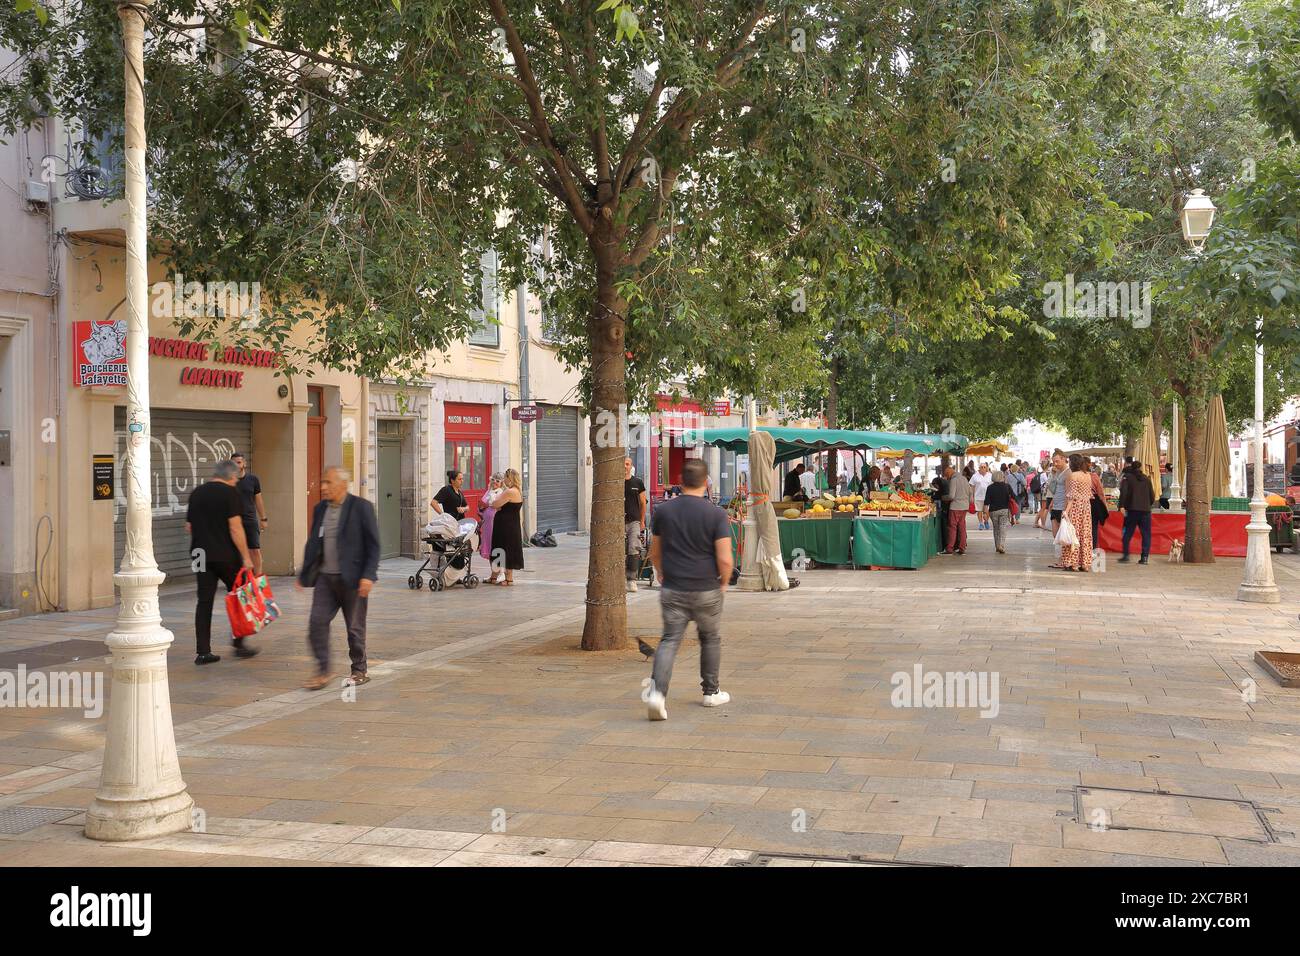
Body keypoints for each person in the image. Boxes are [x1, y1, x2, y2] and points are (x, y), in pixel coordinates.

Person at [644, 458, 733, 721]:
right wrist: (724, 583)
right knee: (710, 638)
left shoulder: (663, 512)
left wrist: (660, 572)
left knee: (669, 640)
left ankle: (657, 695)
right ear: (706, 483)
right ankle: (710, 692)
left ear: (680, 482)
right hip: (707, 588)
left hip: (673, 587)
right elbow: (725, 558)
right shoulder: (716, 514)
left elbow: (655, 551)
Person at [297, 467, 380, 689]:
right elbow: (314, 542)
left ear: (343, 485)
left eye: (328, 483)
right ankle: (324, 669)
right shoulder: (320, 508)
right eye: (322, 482)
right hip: (326, 578)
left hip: (353, 579)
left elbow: (374, 546)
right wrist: (304, 573)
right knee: (317, 622)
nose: (323, 487)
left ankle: (359, 669)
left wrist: (368, 576)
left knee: (354, 627)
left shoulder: (361, 508)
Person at [186, 460, 256, 665]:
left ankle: (203, 651)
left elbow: (189, 526)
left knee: (204, 601)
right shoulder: (230, 494)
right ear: (232, 477)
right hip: (226, 556)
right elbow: (235, 528)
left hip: (200, 555)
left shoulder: (197, 493)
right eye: (236, 479)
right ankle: (239, 644)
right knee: (239, 597)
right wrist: (246, 557)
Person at [230, 452, 268, 578]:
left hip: (250, 520)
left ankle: (258, 578)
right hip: (234, 522)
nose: (236, 465)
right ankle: (239, 579)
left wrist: (263, 518)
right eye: (233, 463)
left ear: (244, 463)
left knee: (255, 550)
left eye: (239, 462)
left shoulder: (253, 480)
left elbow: (258, 499)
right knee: (236, 552)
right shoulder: (228, 481)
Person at [1058, 454, 1095, 572]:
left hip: (1075, 508)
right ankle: (1084, 563)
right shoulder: (1088, 475)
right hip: (1086, 507)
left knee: (1073, 534)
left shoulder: (1073, 476)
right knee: (1085, 534)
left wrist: (1065, 511)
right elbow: (1089, 494)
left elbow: (1071, 496)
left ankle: (1072, 563)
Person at [489, 468, 524, 586]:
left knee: (502, 549)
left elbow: (494, 504)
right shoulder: (518, 490)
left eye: (505, 477)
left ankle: (508, 578)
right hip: (512, 525)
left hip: (505, 526)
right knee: (507, 549)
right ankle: (498, 577)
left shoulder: (509, 492)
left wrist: (497, 505)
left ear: (510, 478)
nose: (503, 480)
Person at [1117, 460, 1156, 564]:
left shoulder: (1127, 478)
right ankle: (1144, 557)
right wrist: (1147, 504)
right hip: (1145, 511)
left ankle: (1126, 555)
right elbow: (1152, 496)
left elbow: (1123, 492)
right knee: (1146, 534)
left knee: (1127, 532)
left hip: (1132, 510)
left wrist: (1121, 505)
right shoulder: (1147, 479)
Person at [624, 457, 648, 593]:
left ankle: (631, 581)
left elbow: (643, 503)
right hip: (619, 521)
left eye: (627, 464)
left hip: (634, 521)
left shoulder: (637, 482)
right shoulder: (615, 483)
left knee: (633, 549)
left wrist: (642, 521)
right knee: (620, 550)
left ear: (631, 466)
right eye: (623, 464)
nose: (625, 467)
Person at [943, 464, 971, 555]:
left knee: (952, 527)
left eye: (947, 475)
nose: (947, 478)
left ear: (949, 473)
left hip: (955, 506)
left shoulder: (954, 480)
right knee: (962, 527)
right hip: (964, 507)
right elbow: (970, 492)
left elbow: (951, 496)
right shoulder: (964, 479)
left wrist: (944, 498)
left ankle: (950, 548)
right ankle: (962, 548)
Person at [984, 469, 1013, 554]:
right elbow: (1013, 498)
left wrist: (985, 514)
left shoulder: (990, 487)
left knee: (996, 528)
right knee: (1003, 527)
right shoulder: (1007, 486)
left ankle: (997, 546)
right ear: (1002, 477)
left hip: (993, 511)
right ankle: (1001, 545)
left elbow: (986, 502)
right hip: (1004, 510)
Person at [479, 472, 504, 565]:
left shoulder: (501, 493)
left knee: (496, 546)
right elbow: (482, 504)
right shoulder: (488, 491)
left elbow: (499, 506)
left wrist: (491, 505)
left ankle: (500, 572)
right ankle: (493, 574)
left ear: (501, 483)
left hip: (495, 522)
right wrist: (481, 507)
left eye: (498, 481)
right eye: (493, 480)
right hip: (487, 524)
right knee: (489, 547)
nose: (495, 482)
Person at [971, 462, 992, 530]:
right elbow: (972, 486)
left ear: (986, 468)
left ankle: (986, 521)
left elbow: (992, 486)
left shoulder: (990, 475)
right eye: (981, 467)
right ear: (979, 468)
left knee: (987, 511)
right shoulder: (975, 476)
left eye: (984, 467)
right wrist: (972, 496)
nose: (983, 468)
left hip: (988, 497)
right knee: (979, 511)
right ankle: (980, 523)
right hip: (978, 496)